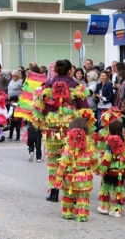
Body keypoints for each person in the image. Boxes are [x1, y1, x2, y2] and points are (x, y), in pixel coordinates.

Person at [41, 59, 89, 202]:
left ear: (55, 70)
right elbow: (84, 109)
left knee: (54, 160)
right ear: (70, 71)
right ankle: (71, 192)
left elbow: (40, 109)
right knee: (71, 158)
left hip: (53, 130)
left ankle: (54, 192)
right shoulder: (76, 86)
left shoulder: (47, 86)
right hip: (71, 129)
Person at [54, 118, 99, 221]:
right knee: (83, 197)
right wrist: (98, 169)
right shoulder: (90, 146)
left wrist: (58, 179)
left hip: (69, 177)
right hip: (84, 178)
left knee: (67, 196)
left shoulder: (68, 147)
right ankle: (82, 215)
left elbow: (63, 165)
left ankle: (67, 212)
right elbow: (95, 161)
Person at [97, 120, 125, 218]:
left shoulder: (110, 141)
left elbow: (107, 156)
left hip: (110, 170)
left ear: (110, 130)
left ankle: (104, 207)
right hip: (121, 170)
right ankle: (117, 210)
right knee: (118, 189)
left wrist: (102, 168)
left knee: (105, 188)